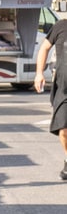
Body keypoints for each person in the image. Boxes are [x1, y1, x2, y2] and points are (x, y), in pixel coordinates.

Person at [34, 18, 67, 179]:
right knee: (64, 130)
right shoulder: (61, 26)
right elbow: (44, 48)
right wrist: (39, 73)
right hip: (63, 89)